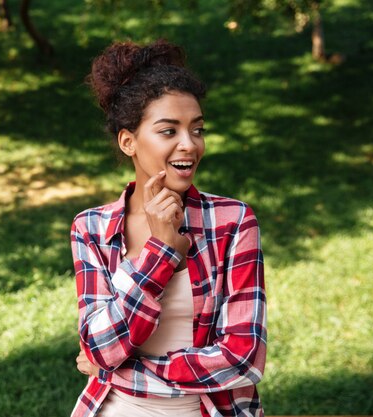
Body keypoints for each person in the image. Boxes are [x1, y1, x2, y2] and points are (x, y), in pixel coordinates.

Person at [69, 39, 267, 417]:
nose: (189, 145)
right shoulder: (91, 228)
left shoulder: (233, 221)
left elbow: (243, 358)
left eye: (197, 129)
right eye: (168, 131)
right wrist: (160, 252)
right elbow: (99, 346)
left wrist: (123, 373)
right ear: (129, 141)